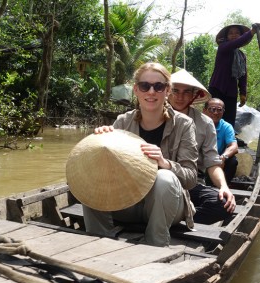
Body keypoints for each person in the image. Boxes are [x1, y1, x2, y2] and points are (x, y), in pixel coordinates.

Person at [82, 62, 199, 247]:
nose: (151, 92)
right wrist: (100, 143)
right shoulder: (123, 122)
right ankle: (99, 241)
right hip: (127, 202)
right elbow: (107, 166)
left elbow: (191, 178)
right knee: (90, 176)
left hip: (167, 205)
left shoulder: (184, 125)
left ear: (167, 90)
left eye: (158, 86)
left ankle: (155, 245)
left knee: (164, 178)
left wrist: (164, 162)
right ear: (136, 90)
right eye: (145, 86)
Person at [168, 68, 236, 225]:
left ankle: (177, 216)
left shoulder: (205, 123)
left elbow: (212, 162)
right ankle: (173, 214)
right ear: (167, 91)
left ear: (194, 95)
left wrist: (223, 187)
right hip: (157, 179)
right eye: (175, 91)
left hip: (189, 182)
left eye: (186, 92)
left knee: (223, 205)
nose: (179, 97)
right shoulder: (155, 113)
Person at [209, 23, 260, 127]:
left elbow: (243, 76)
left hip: (231, 91)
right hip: (217, 87)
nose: (234, 35)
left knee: (229, 119)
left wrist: (243, 93)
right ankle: (210, 137)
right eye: (231, 33)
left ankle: (229, 138)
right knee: (213, 115)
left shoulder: (242, 55)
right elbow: (237, 42)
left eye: (237, 33)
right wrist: (252, 32)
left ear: (241, 35)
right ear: (226, 37)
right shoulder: (223, 47)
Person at [202, 98, 238, 183]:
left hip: (217, 159)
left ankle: (222, 186)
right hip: (200, 158)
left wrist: (223, 157)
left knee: (232, 161)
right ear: (204, 111)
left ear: (223, 112)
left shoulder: (226, 126)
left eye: (219, 110)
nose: (215, 113)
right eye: (212, 109)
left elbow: (234, 146)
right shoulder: (197, 123)